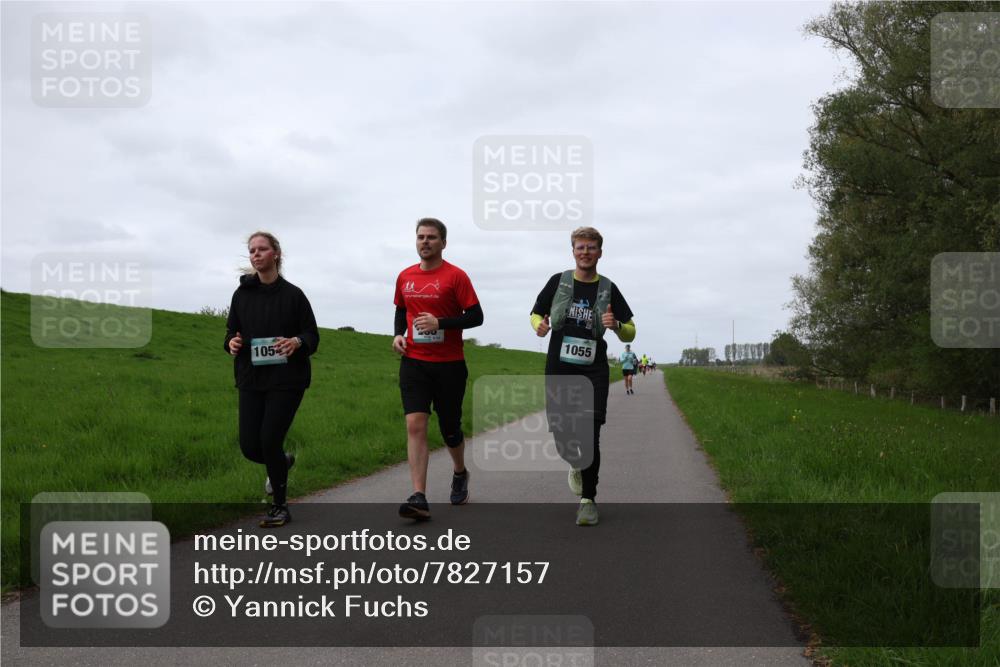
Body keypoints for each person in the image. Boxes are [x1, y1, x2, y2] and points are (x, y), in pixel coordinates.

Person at [531, 226, 635, 526]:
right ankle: (576, 463)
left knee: (590, 433)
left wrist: (615, 325)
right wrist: (538, 325)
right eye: (580, 247)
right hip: (560, 367)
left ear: (600, 252)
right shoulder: (558, 282)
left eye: (591, 248)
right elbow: (536, 313)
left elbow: (631, 329)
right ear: (573, 250)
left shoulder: (609, 287)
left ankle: (588, 500)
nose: (586, 252)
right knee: (563, 436)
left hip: (594, 370)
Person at [224, 232, 319, 528]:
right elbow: (230, 333)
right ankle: (283, 462)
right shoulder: (242, 295)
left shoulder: (293, 295)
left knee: (269, 440)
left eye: (262, 249)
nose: (255, 254)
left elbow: (312, 336)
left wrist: (296, 343)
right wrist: (232, 344)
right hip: (252, 378)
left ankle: (279, 506)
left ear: (276, 253)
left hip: (287, 379)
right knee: (251, 447)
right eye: (252, 250)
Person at [393, 218, 483, 520]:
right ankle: (419, 495)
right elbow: (401, 309)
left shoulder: (456, 277)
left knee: (449, 429)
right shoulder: (405, 276)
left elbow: (476, 316)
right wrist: (398, 335)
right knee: (415, 425)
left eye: (431, 237)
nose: (425, 242)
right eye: (420, 237)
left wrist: (441, 323)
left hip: (449, 365)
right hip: (415, 363)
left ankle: (459, 471)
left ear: (443, 243)